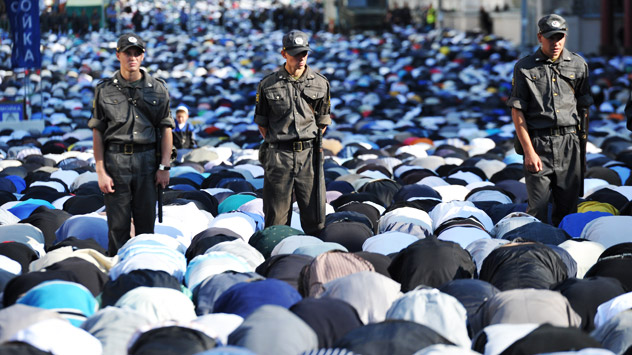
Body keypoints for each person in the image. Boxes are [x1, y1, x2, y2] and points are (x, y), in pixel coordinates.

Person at [88, 33, 174, 255]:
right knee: (117, 226)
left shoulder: (158, 88)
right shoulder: (104, 89)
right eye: (128, 53)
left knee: (146, 224)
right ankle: (118, 273)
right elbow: (98, 131)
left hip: (147, 160)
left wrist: (165, 167)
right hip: (115, 160)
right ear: (118, 55)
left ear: (143, 56)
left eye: (137, 53)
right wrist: (100, 171)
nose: (132, 58)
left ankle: (143, 265)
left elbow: (166, 129)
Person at [508, 14, 593, 226]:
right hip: (539, 143)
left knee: (567, 209)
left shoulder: (578, 65)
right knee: (537, 207)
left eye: (560, 37)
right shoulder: (524, 67)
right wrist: (528, 152)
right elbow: (517, 111)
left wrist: (581, 151)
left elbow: (584, 109)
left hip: (570, 143)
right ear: (540, 37)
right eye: (551, 38)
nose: (556, 43)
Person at [254, 30, 331, 236]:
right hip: (279, 155)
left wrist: (305, 140)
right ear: (284, 54)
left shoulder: (320, 83)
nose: (301, 58)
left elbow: (322, 122)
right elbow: (262, 123)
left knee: (315, 216)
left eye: (304, 53)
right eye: (296, 54)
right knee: (276, 220)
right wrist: (282, 141)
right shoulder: (268, 84)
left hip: (309, 155)